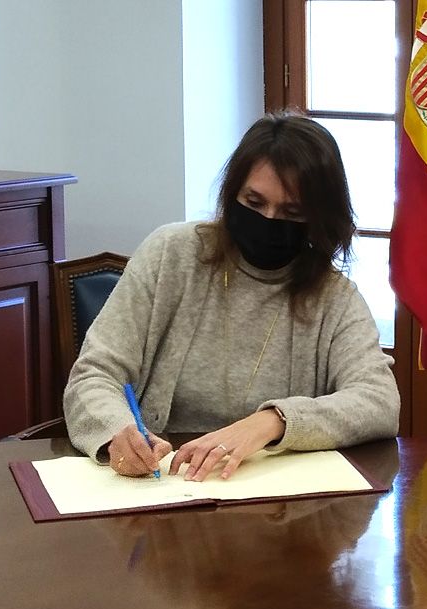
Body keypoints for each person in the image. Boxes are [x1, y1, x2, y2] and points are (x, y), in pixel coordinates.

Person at [64, 112, 400, 481]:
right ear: (232, 193)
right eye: (254, 202)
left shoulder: (333, 296)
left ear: (319, 219)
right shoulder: (171, 255)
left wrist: (273, 421)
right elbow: (94, 375)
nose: (269, 220)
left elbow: (379, 401)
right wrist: (117, 432)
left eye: (291, 212)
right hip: (166, 484)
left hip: (276, 506)